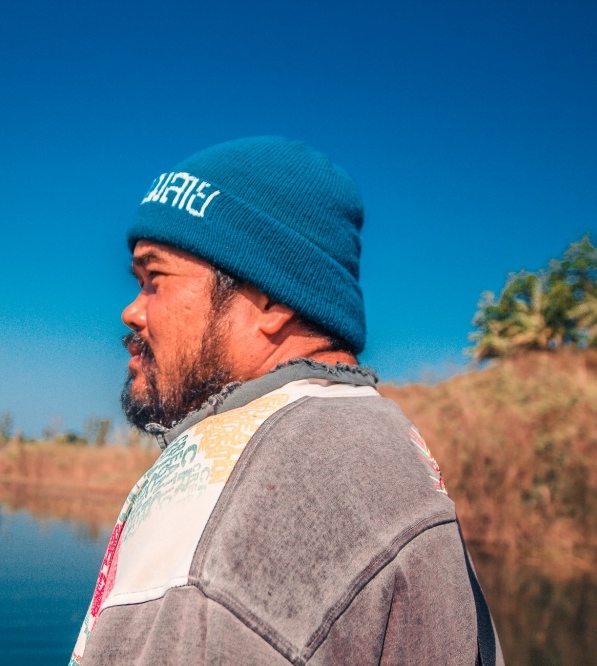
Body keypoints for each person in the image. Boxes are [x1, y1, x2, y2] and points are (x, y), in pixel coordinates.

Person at [70, 136, 503, 665]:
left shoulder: (225, 501)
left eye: (154, 278)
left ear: (271, 297)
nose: (131, 312)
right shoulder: (382, 442)